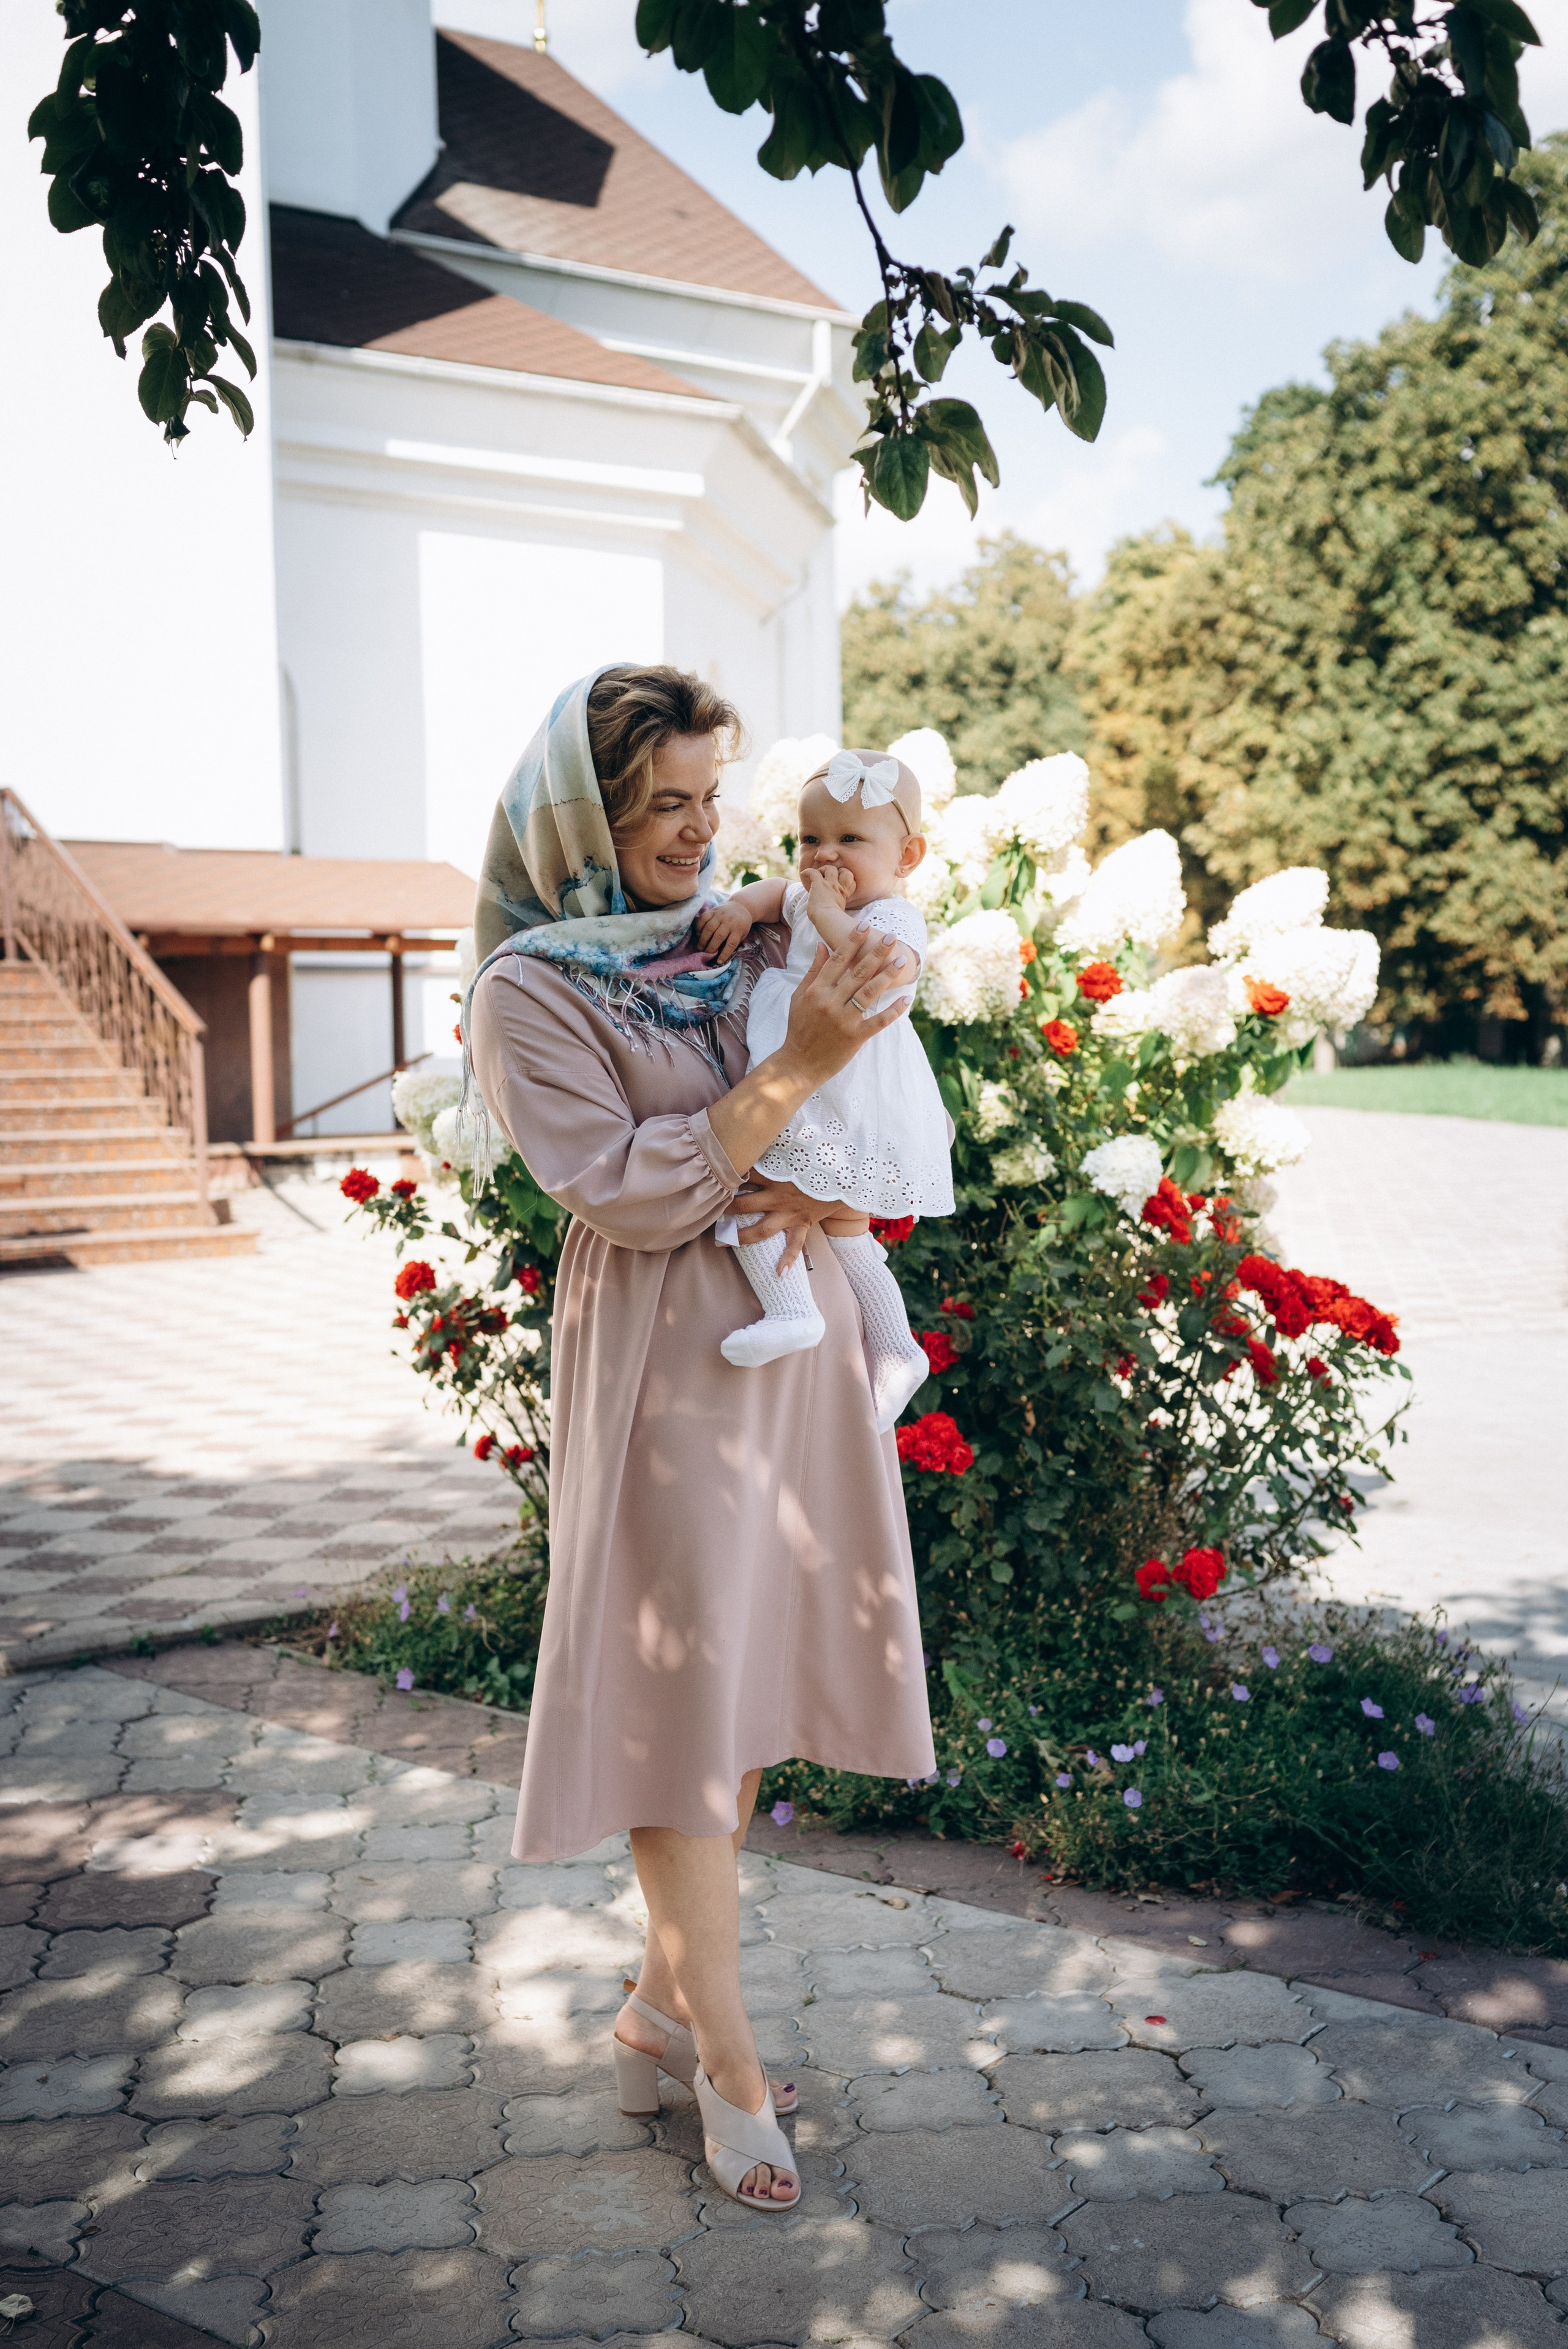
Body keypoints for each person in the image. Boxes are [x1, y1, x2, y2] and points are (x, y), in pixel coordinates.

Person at [466, 665, 937, 2215]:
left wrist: (838, 1181)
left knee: (729, 1693)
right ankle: (725, 2055)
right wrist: (791, 1064)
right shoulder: (531, 989)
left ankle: (656, 2008)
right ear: (575, 815)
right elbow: (628, 1184)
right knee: (680, 1697)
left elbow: (845, 1125)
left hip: (784, 1341)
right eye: (653, 803)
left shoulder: (716, 929)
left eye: (702, 797)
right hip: (666, 1356)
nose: (689, 833)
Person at [695, 749, 955, 1427]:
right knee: (783, 1193)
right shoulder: (810, 895)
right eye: (811, 839)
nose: (823, 856)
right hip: (802, 1078)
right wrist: (742, 912)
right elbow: (769, 896)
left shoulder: (894, 918)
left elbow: (875, 967)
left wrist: (825, 907)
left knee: (833, 1220)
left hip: (854, 1086)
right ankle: (815, 1320)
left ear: (907, 857)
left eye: (849, 840)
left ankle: (881, 1342)